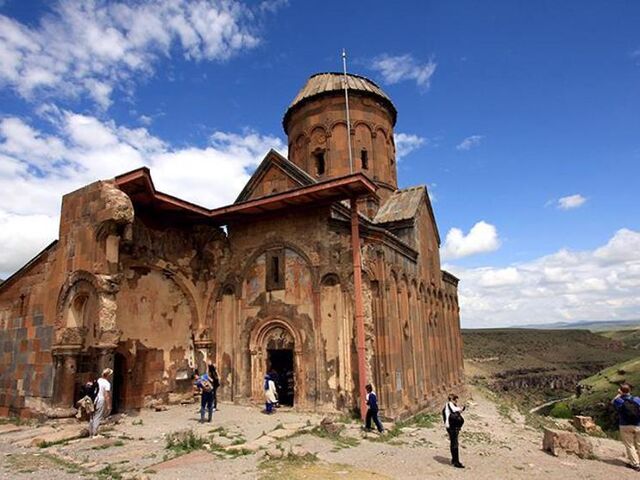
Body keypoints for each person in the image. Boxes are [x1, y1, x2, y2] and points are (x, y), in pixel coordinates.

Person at [612, 383, 640, 471]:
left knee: (630, 445)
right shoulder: (637, 399)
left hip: (625, 425)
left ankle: (635, 464)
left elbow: (613, 401)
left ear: (620, 390)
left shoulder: (619, 400)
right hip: (638, 425)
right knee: (639, 444)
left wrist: (619, 394)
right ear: (630, 390)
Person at [443, 393, 466, 469]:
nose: (456, 401)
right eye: (455, 399)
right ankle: (456, 462)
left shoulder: (451, 406)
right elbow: (454, 410)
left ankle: (454, 460)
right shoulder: (449, 404)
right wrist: (461, 408)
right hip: (451, 427)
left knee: (454, 443)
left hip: (453, 427)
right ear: (452, 399)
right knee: (454, 443)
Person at [89, 368, 112, 437]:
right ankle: (95, 433)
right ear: (108, 375)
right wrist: (108, 405)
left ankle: (90, 433)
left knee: (92, 416)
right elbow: (106, 395)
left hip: (93, 399)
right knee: (98, 416)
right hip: (100, 399)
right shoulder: (107, 383)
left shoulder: (98, 380)